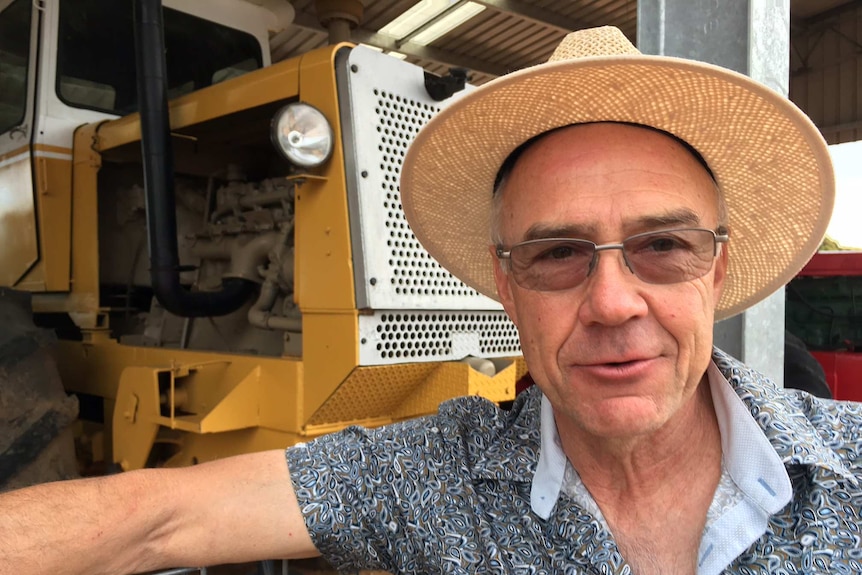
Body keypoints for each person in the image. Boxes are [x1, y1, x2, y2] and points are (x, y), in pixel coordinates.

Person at [1, 25, 860, 575]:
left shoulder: (847, 470)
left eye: (661, 246)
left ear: (716, 269)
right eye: (557, 253)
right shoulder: (433, 478)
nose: (611, 302)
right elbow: (156, 519)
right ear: (505, 288)